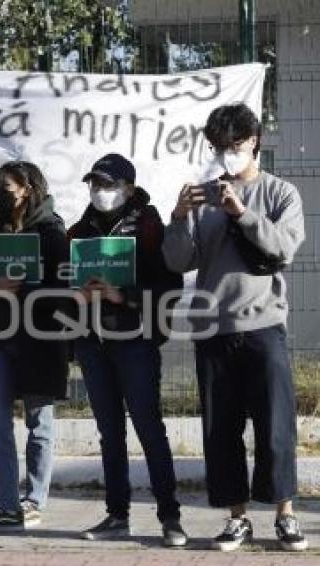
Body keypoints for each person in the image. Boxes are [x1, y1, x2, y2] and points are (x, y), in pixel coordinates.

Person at [163, 103, 307, 552]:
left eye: (235, 145)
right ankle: (237, 517)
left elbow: (283, 249)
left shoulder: (281, 193)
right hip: (212, 327)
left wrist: (241, 212)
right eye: (219, 146)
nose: (227, 153)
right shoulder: (201, 197)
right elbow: (177, 261)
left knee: (276, 424)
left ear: (254, 142)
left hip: (264, 325)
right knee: (220, 429)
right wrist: (177, 216)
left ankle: (285, 514)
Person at [68, 154, 186, 546]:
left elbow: (171, 288)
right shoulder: (79, 232)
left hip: (135, 343)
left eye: (108, 184)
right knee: (109, 434)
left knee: (150, 430)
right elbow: (60, 292)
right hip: (93, 345)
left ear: (129, 188)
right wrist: (76, 298)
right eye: (95, 184)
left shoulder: (150, 228)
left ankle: (171, 518)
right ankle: (117, 515)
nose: (100, 192)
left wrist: (125, 295)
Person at [0, 161, 70, 529]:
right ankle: (6, 503)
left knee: (40, 423)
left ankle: (33, 499)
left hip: (39, 340)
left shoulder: (53, 231)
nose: (1, 191)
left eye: (7, 185)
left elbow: (67, 288)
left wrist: (30, 287)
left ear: (27, 187)